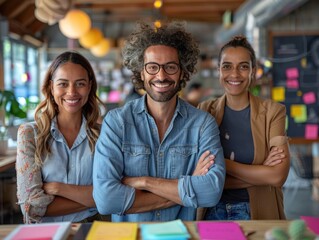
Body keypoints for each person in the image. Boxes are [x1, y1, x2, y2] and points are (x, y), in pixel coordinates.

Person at [93, 21, 225, 222]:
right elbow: (105, 200)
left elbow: (210, 193)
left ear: (182, 71)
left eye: (170, 67)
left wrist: (144, 182)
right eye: (152, 67)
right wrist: (185, 192)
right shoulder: (117, 122)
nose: (161, 76)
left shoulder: (203, 124)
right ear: (141, 72)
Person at [198, 35, 290, 220]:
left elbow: (277, 177)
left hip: (258, 211)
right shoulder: (205, 110)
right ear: (219, 71)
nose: (234, 74)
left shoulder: (274, 112)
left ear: (253, 71)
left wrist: (222, 165)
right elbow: (201, 177)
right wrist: (260, 172)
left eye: (243, 66)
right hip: (213, 211)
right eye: (227, 66)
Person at [16, 51, 105, 223]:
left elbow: (114, 193)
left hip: (92, 229)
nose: (71, 92)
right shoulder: (29, 134)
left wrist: (59, 188)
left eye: (80, 84)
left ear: (89, 87)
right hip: (45, 234)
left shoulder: (103, 135)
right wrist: (96, 199)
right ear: (51, 86)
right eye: (63, 84)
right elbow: (31, 207)